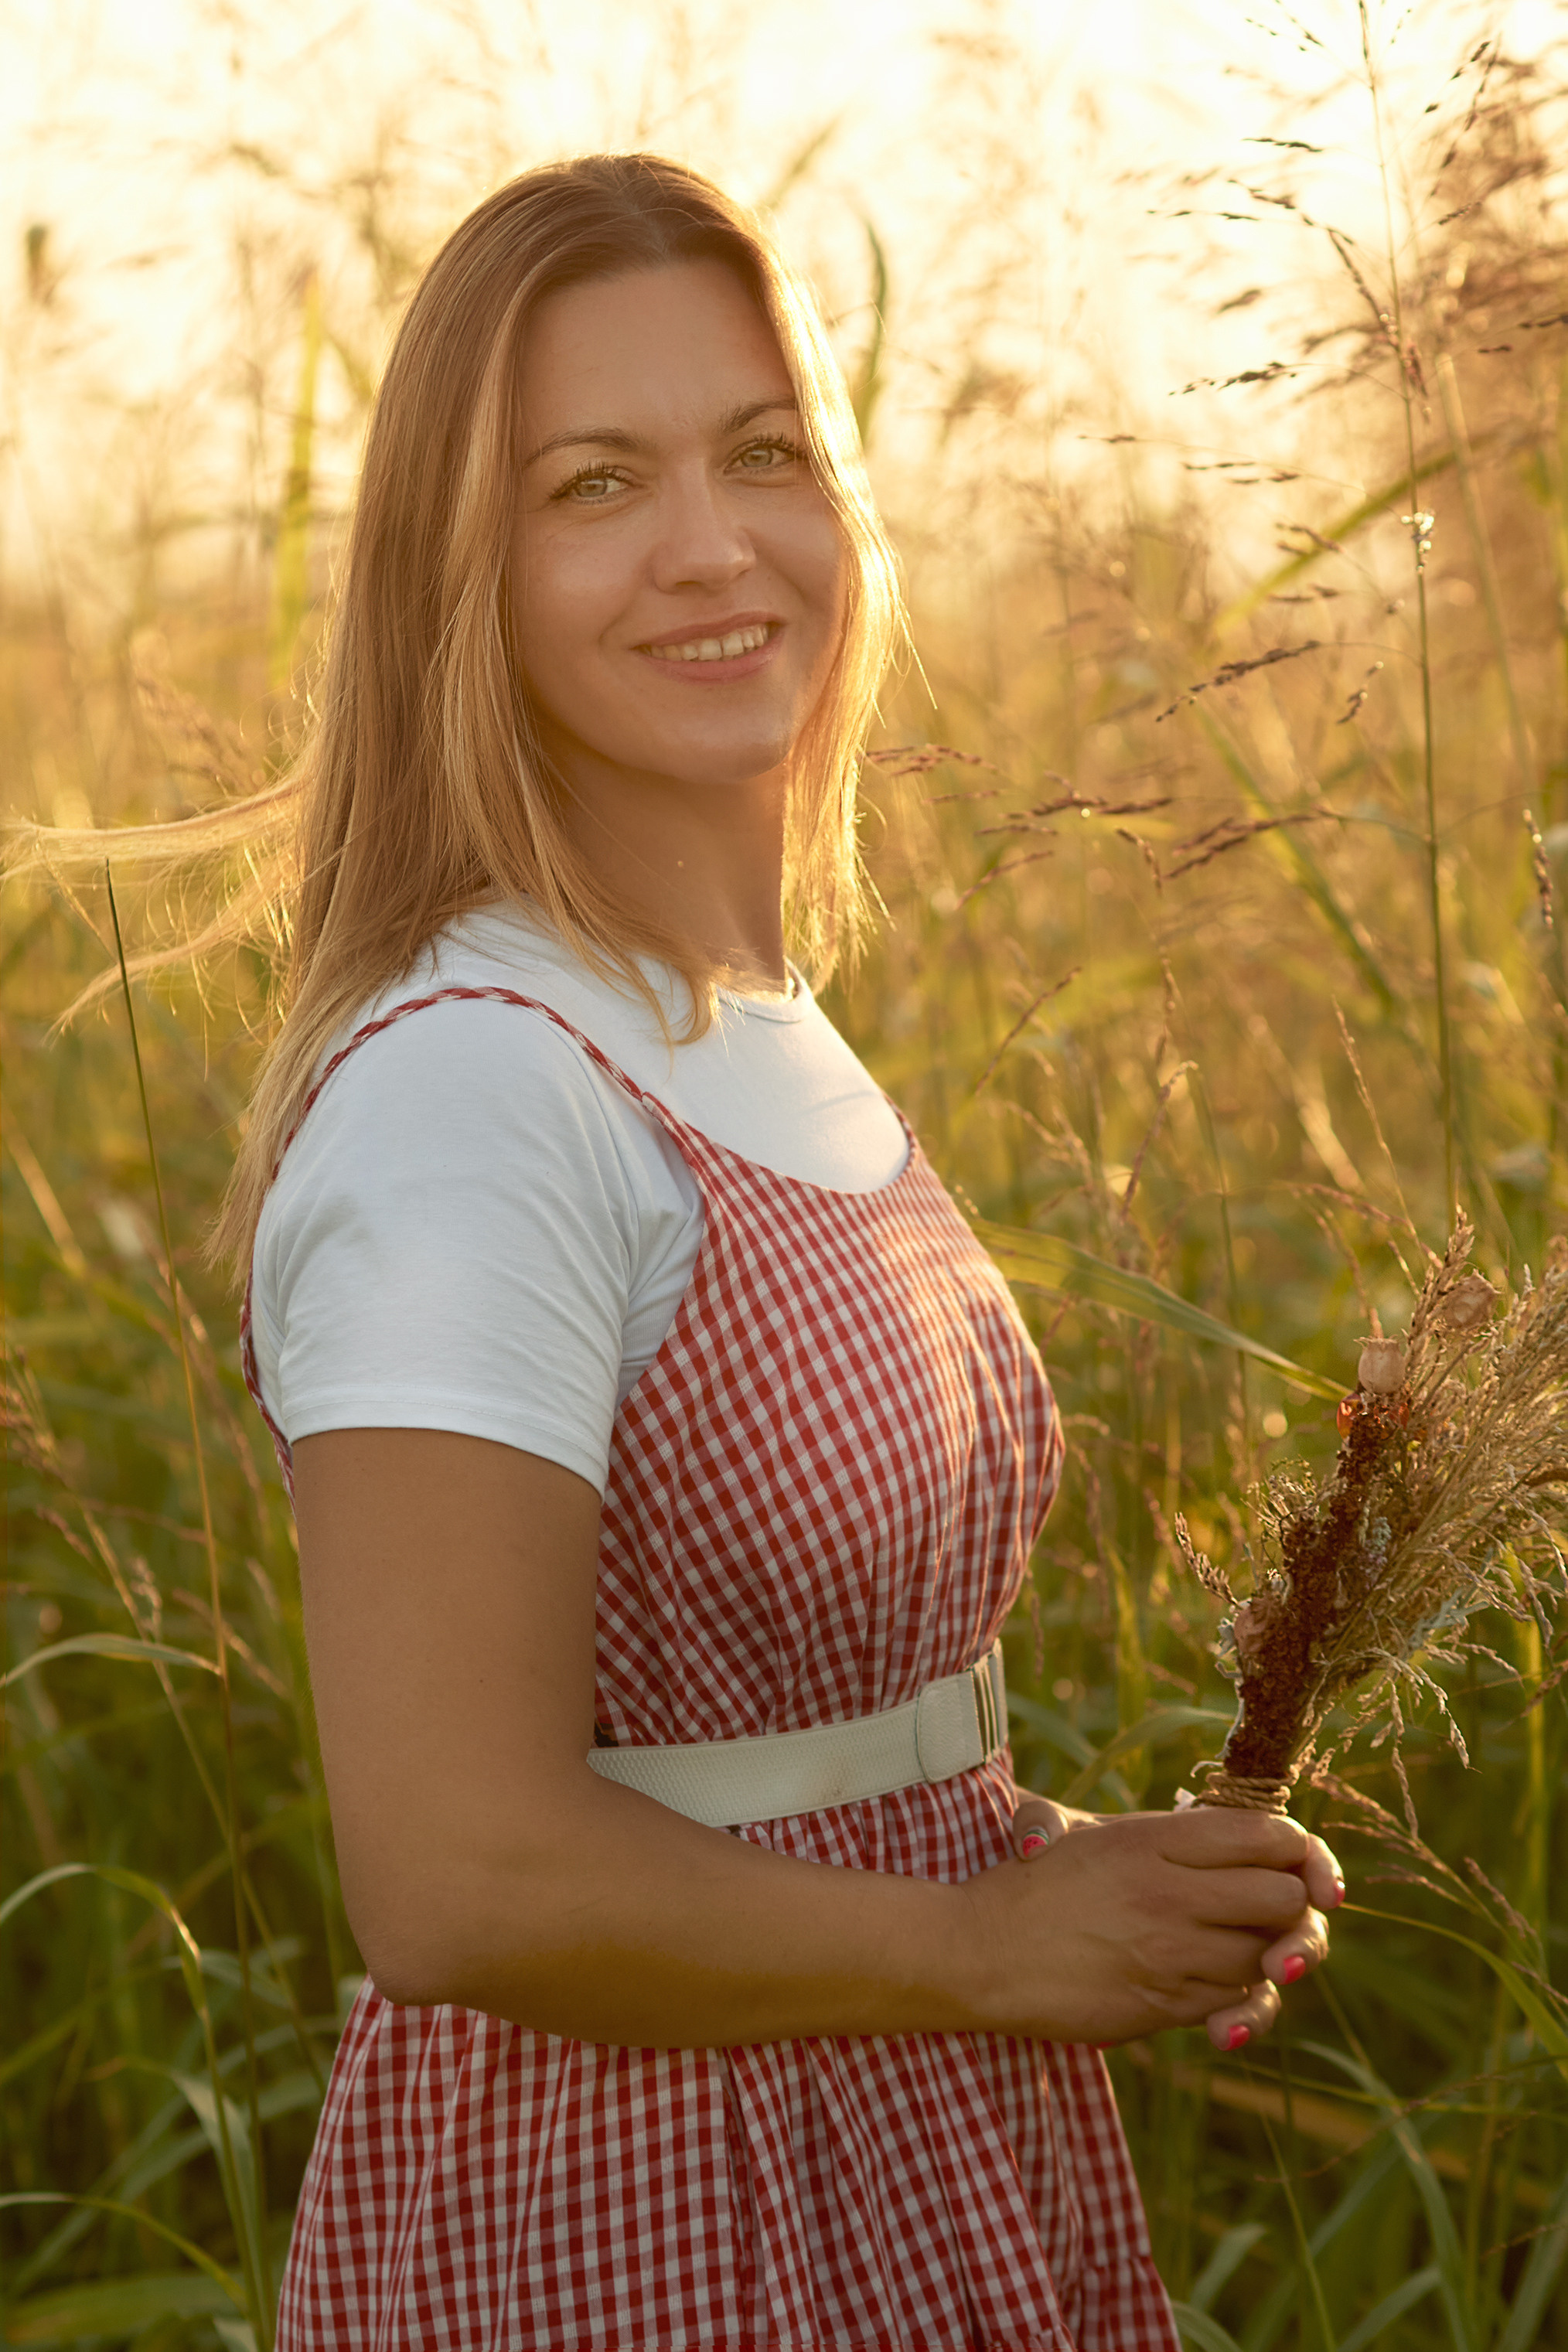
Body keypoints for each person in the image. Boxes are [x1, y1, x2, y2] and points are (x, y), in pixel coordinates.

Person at [226, 154, 1341, 2352]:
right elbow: (456, 1874)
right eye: (594, 483)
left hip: (911, 2134)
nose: (710, 543)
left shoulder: (752, 1021)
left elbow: (795, 1739)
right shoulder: (484, 1086)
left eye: (762, 453)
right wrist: (976, 1948)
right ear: (464, 576)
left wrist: (1075, 1876)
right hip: (635, 2195)